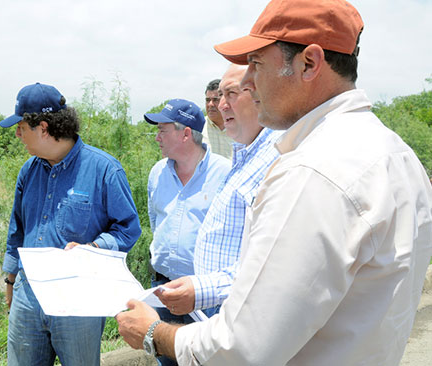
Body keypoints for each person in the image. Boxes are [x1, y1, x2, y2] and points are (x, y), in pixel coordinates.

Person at [116, 0, 432, 365]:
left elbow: (243, 348)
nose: (248, 81)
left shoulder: (312, 171)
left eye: (257, 64)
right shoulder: (397, 154)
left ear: (309, 63)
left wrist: (155, 333)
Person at [0, 82, 141, 366]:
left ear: (42, 127)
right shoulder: (29, 170)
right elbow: (18, 229)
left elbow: (128, 228)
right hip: (28, 296)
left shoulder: (104, 170)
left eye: (21, 128)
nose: (16, 134)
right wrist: (10, 280)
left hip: (79, 297)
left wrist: (93, 247)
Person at [155, 64, 282, 318]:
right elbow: (156, 218)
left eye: (231, 94)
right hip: (193, 294)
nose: (220, 105)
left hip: (225, 304)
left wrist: (202, 290)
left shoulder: (278, 157)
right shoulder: (245, 154)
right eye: (217, 96)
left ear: (261, 94)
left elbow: (273, 261)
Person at [145, 98, 230, 366]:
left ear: (185, 134)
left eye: (162, 130)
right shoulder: (157, 172)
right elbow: (155, 222)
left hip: (206, 295)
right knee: (166, 359)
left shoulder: (224, 173)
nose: (156, 137)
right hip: (162, 289)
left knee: (207, 360)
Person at [201, 79, 234, 160]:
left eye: (215, 100)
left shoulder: (240, 130)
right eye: (208, 100)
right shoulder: (197, 129)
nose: (210, 104)